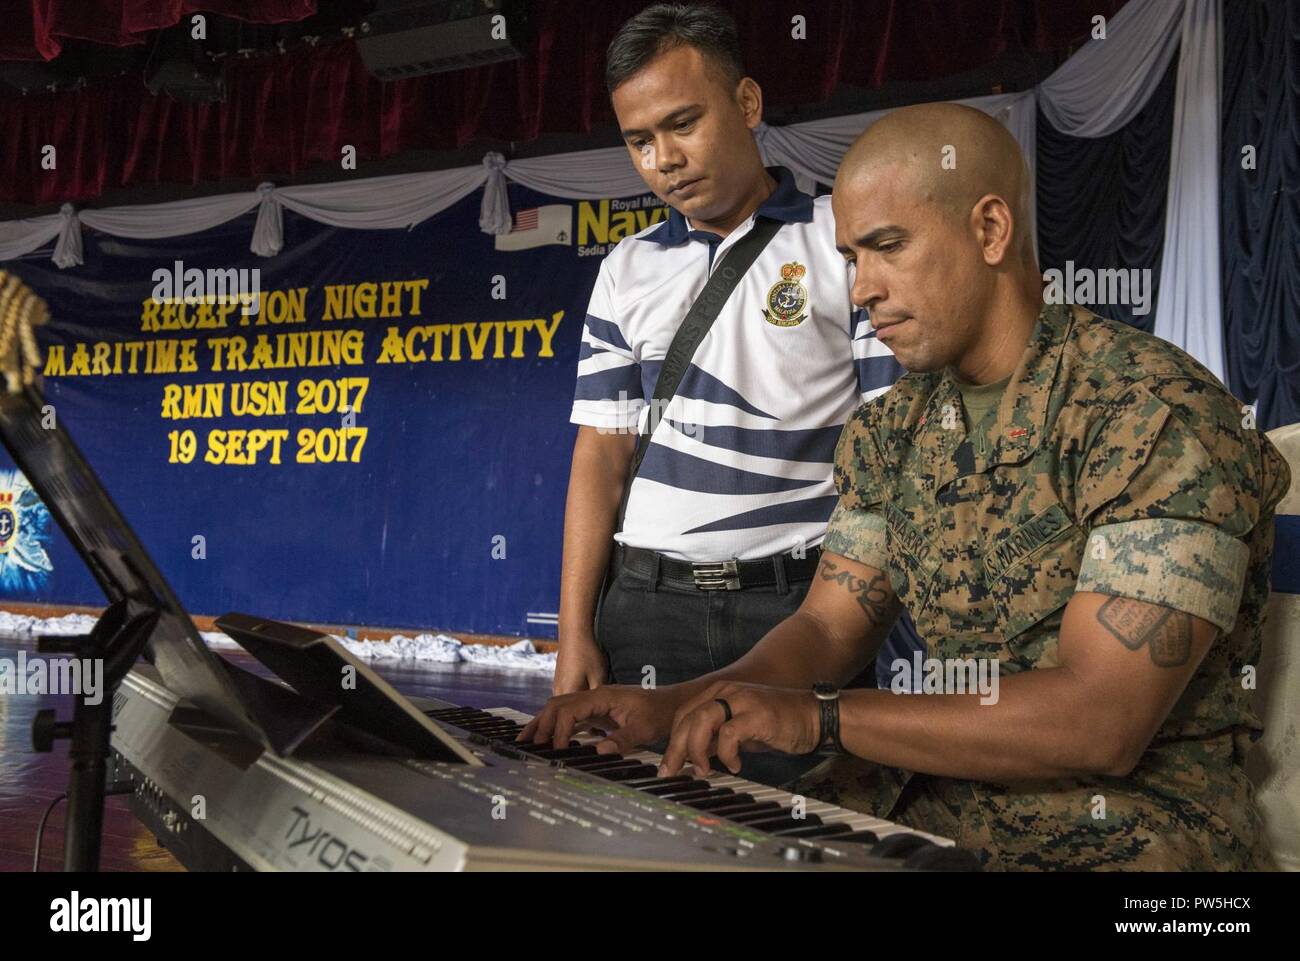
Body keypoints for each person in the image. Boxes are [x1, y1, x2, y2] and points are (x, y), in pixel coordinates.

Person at [523, 102, 1291, 870]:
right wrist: (673, 702)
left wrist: (821, 718)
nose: (862, 289)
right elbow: (826, 631)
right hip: (922, 805)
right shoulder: (892, 431)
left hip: (1129, 834)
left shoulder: (1148, 411)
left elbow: (1099, 720)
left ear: (990, 231)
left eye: (888, 247)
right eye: (852, 257)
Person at [557, 2, 908, 700]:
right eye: (640, 140)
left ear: (747, 102)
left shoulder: (840, 241)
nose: (666, 160)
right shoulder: (624, 268)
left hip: (798, 608)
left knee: (802, 808)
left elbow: (890, 442)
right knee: (635, 809)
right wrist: (574, 631)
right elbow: (601, 453)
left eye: (684, 123)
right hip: (642, 608)